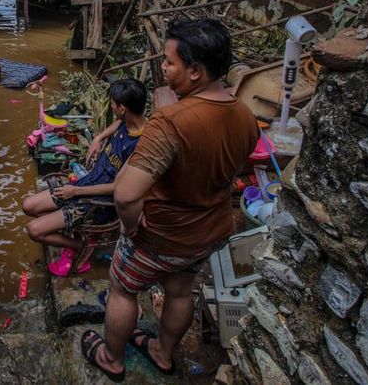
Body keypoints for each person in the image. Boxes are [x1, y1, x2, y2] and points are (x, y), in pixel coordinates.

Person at [80, 19, 259, 381]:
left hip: (161, 235)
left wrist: (130, 225)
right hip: (208, 232)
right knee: (179, 290)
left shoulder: (171, 121)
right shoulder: (245, 116)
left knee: (122, 290)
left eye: (169, 61)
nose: (162, 67)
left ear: (194, 71)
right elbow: (234, 170)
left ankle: (112, 359)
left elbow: (126, 193)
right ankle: (162, 352)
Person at [22, 79, 147, 276]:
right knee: (28, 205)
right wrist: (98, 138)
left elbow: (118, 187)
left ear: (122, 108)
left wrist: (75, 191)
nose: (111, 106)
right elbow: (117, 124)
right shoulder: (128, 120)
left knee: (34, 230)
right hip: (86, 182)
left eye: (113, 103)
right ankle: (71, 229)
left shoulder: (141, 146)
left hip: (97, 202)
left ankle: (79, 243)